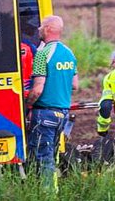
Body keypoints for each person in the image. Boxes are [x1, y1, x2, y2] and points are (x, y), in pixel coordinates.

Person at [24, 14, 77, 184]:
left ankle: (47, 195)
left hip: (44, 114)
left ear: (47, 29)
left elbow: (38, 89)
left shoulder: (42, 54)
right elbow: (75, 85)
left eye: (41, 27)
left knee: (42, 158)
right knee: (52, 156)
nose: (38, 30)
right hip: (63, 113)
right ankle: (52, 190)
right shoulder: (69, 53)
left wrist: (27, 106)